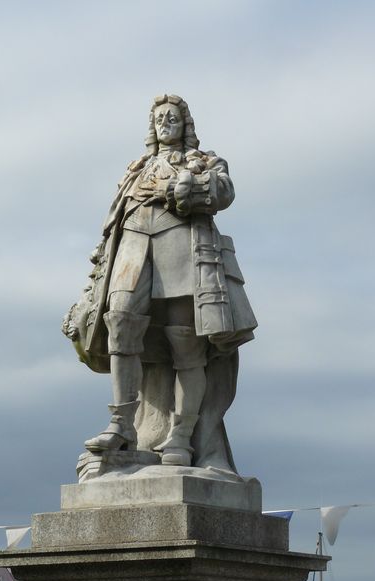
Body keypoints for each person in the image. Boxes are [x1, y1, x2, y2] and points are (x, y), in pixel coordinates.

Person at [64, 94, 256, 472]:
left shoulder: (203, 161)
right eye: (159, 118)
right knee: (120, 319)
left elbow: (223, 191)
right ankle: (121, 424)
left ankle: (181, 437)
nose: (165, 123)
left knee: (185, 342)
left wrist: (181, 190)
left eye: (172, 118)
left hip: (181, 245)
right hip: (134, 245)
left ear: (185, 124)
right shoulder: (136, 168)